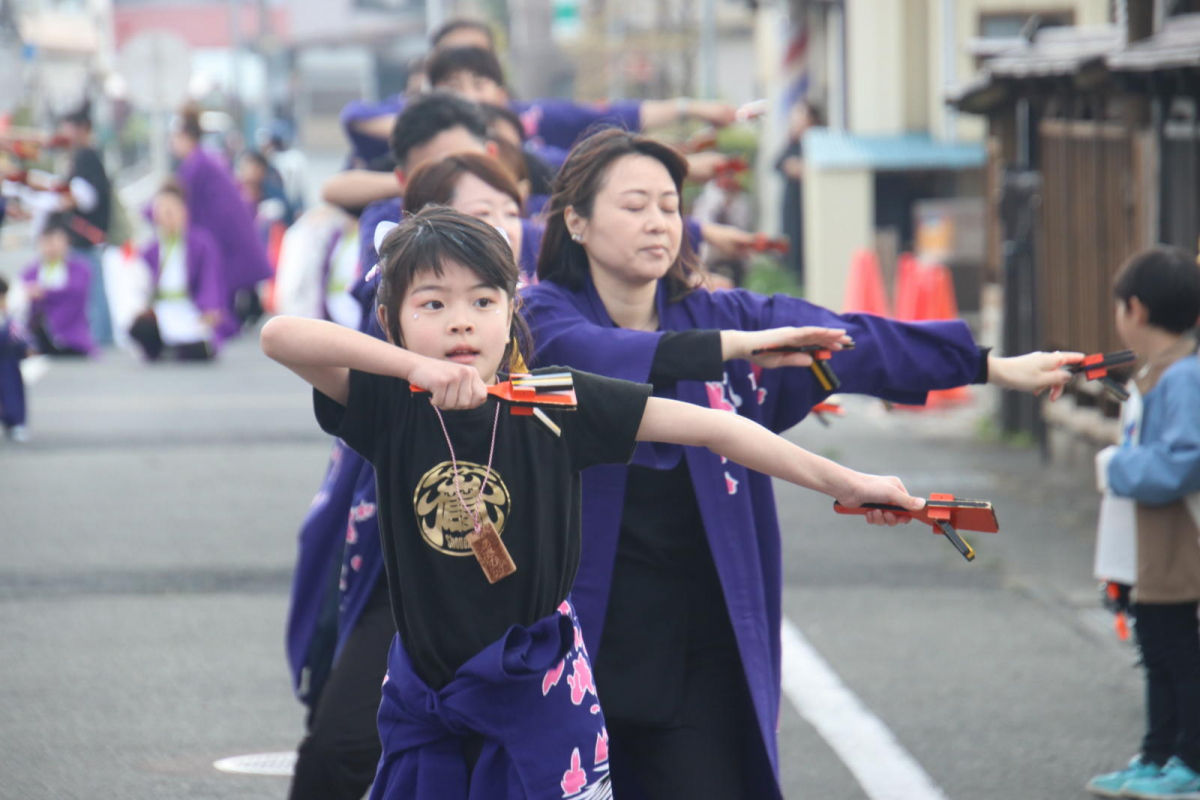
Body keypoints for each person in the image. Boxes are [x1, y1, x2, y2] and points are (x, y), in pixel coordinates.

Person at [263, 206, 926, 800]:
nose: (460, 320)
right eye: (431, 305)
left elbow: (717, 428)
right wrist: (412, 369)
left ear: (511, 308)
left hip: (537, 696)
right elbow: (279, 335)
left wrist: (849, 482)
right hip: (425, 699)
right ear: (390, 321)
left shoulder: (554, 400)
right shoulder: (389, 403)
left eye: (483, 300)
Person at [521, 128, 1084, 800]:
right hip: (579, 640)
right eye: (634, 205)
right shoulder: (539, 319)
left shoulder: (722, 315)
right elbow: (591, 354)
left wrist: (987, 364)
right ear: (576, 222)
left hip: (699, 646)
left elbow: (851, 340)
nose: (657, 223)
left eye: (670, 206)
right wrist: (734, 347)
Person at [284, 156, 530, 800]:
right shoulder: (394, 379)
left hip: (521, 610)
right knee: (350, 747)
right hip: (409, 594)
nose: (504, 226)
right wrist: (416, 371)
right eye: (483, 213)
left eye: (514, 211)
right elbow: (284, 337)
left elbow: (692, 423)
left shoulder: (540, 342)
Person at [1085, 246, 1200, 800]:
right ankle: (1157, 756)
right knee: (1157, 651)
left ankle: (1189, 763)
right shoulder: (1156, 373)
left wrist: (1117, 465)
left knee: (1180, 655)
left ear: (1134, 308)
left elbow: (1183, 461)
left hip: (1179, 548)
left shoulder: (1183, 378)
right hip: (1151, 548)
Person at [170, 106, 272, 332]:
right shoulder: (203, 160)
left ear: (187, 138)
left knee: (219, 287)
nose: (172, 144)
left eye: (175, 138)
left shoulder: (196, 164)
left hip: (224, 237)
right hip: (226, 234)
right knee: (224, 286)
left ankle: (221, 327)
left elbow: (177, 198)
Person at [128, 182, 227, 361]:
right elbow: (140, 282)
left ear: (183, 211)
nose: (167, 216)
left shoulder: (201, 244)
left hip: (190, 308)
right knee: (140, 328)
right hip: (161, 309)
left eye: (171, 209)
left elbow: (210, 279)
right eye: (162, 210)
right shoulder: (151, 247)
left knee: (198, 347)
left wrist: (210, 307)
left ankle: (173, 349)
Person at [57, 105, 114, 346]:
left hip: (85, 235)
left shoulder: (85, 155)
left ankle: (101, 335)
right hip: (89, 234)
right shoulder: (88, 155)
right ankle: (101, 333)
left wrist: (63, 199)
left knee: (91, 288)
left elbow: (88, 197)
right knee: (93, 286)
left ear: (82, 129)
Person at [21, 214, 96, 358]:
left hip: (71, 336)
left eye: (54, 242)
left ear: (66, 242)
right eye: (46, 243)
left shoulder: (80, 267)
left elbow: (77, 290)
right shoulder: (32, 271)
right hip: (40, 335)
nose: (51, 248)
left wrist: (44, 293)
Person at [774, 100, 819, 285]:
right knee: (792, 241)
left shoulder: (817, 142)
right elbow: (777, 164)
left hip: (810, 205)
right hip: (793, 202)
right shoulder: (793, 142)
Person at [0, 276, 30, 442]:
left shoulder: (9, 318)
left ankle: (16, 423)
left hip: (7, 363)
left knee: (12, 394)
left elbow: (21, 335)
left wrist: (27, 346)